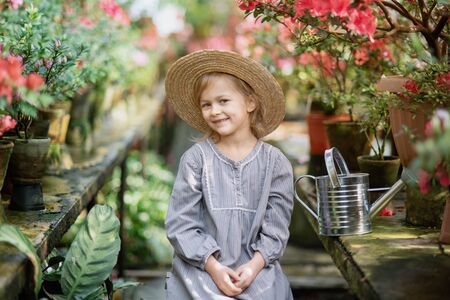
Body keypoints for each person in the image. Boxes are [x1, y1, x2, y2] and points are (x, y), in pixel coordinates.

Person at [164, 50, 294, 299]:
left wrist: (254, 266)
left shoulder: (275, 164)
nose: (214, 111)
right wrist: (214, 267)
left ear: (250, 103)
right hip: (202, 268)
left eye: (223, 101)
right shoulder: (196, 159)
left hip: (256, 267)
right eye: (206, 104)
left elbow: (276, 229)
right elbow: (181, 224)